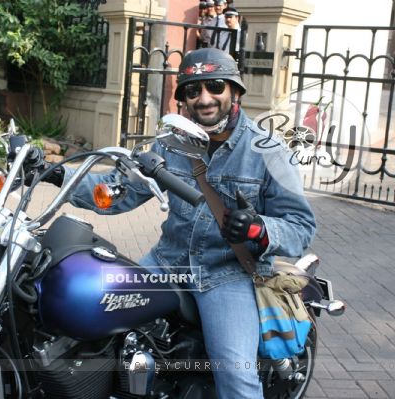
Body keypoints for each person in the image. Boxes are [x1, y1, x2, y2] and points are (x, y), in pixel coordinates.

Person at [25, 48, 316, 398]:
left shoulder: (268, 152)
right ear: (184, 100)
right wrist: (54, 173)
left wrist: (258, 229)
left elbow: (300, 227)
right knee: (94, 316)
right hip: (167, 263)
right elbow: (118, 192)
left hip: (225, 275)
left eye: (215, 86)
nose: (205, 98)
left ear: (235, 91)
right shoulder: (171, 145)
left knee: (236, 375)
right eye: (193, 90)